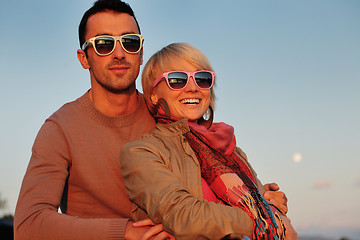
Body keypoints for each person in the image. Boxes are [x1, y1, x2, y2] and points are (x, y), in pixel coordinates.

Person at [14, 0, 288, 239]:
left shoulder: (170, 113)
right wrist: (122, 232)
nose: (119, 53)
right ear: (84, 57)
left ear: (141, 53)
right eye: (103, 44)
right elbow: (28, 224)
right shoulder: (61, 128)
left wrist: (259, 199)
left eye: (130, 42)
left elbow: (208, 181)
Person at [120, 42, 298, 240]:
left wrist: (273, 203)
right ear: (153, 95)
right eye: (177, 80)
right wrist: (261, 219)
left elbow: (271, 210)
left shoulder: (230, 150)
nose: (193, 88)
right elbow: (182, 214)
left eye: (201, 79)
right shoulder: (142, 152)